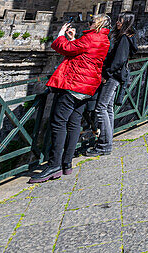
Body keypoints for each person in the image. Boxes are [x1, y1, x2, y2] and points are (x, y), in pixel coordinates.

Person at [30, 13, 110, 183]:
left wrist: (60, 34)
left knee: (58, 122)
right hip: (87, 87)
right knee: (74, 122)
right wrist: (74, 39)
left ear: (99, 24)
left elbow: (65, 49)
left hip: (75, 85)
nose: (89, 23)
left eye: (92, 21)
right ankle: (67, 163)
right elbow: (82, 54)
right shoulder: (103, 40)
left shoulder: (91, 38)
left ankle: (54, 165)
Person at [92, 13, 137, 156]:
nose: (117, 22)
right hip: (116, 76)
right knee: (108, 109)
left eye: (120, 20)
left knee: (100, 108)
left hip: (113, 77)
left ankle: (104, 145)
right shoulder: (126, 37)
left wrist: (106, 74)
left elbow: (119, 61)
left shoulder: (124, 38)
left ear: (126, 22)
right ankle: (107, 141)